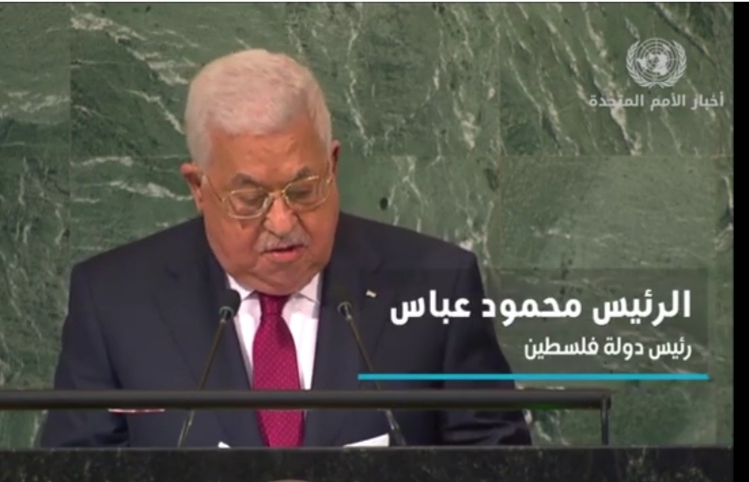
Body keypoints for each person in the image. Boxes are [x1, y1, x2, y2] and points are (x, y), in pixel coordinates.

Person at [39, 49, 531, 448]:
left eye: (303, 189)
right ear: (198, 187)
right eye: (250, 198)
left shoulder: (437, 286)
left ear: (332, 165)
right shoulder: (115, 301)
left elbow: (497, 465)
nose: (282, 221)